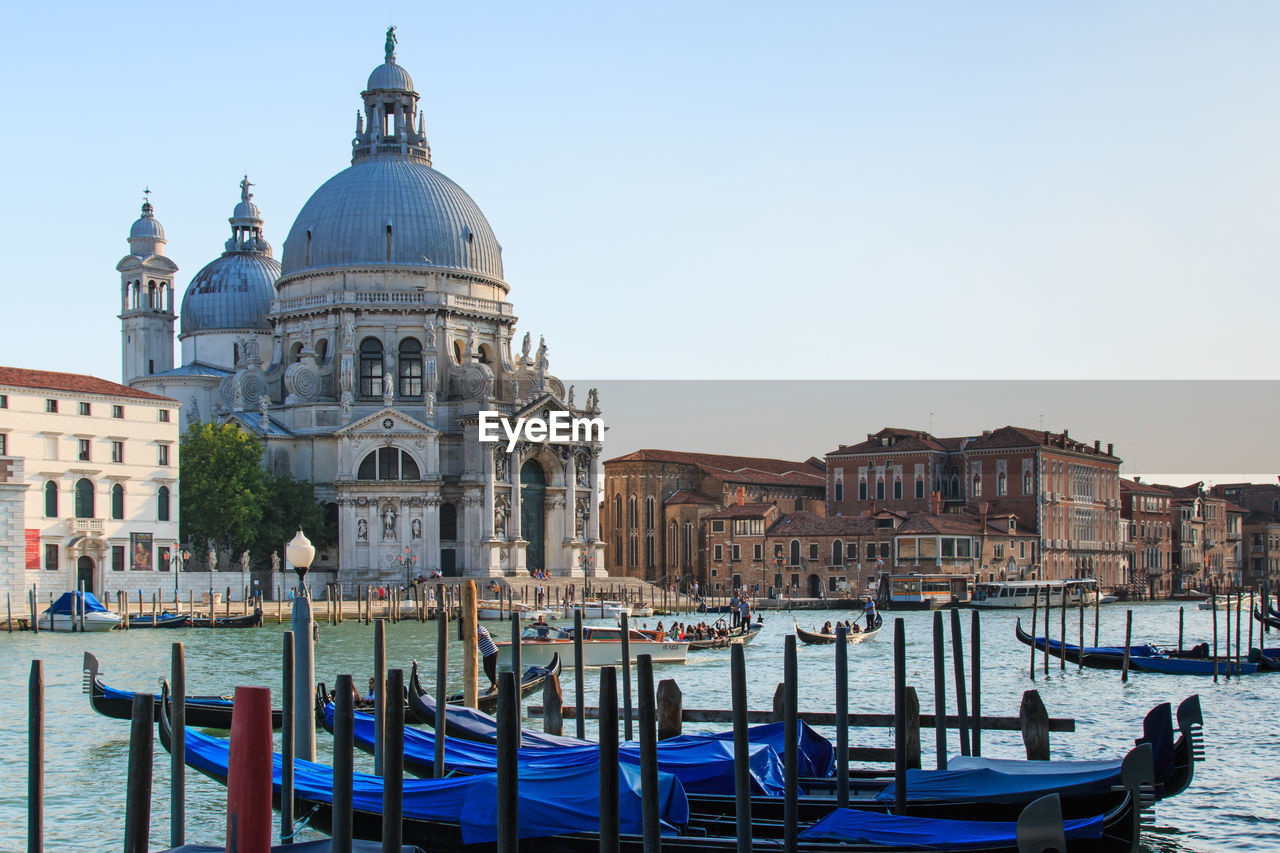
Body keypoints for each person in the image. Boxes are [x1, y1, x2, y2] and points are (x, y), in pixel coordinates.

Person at [477, 624, 499, 690]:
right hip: (487, 653)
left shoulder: (480, 629)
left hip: (492, 652)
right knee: (486, 669)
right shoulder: (479, 629)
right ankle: (495, 684)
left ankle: (494, 685)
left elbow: (477, 638)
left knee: (491, 670)